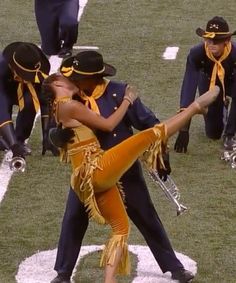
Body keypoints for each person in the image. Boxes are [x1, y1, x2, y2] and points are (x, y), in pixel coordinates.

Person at [43, 72, 219, 283]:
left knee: (129, 223)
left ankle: (124, 277)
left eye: (79, 78)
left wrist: (161, 154)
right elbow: (99, 126)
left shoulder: (115, 91)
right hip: (96, 169)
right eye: (72, 79)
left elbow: (146, 119)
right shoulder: (75, 100)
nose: (76, 82)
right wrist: (128, 101)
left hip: (111, 170)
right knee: (73, 219)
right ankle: (195, 108)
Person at [174, 16, 236, 153]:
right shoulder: (197, 54)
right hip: (210, 83)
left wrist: (230, 135)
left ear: (227, 40)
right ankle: (222, 108)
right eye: (209, 39)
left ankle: (230, 133)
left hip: (233, 81)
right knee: (213, 133)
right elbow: (188, 88)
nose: (212, 43)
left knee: (229, 133)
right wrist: (184, 127)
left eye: (217, 40)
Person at [0, 41, 58, 161]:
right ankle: (10, 140)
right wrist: (13, 146)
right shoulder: (2, 69)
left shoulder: (38, 65)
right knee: (5, 140)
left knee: (30, 101)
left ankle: (20, 138)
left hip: (18, 86)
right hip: (2, 88)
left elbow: (45, 99)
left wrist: (47, 133)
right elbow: (2, 109)